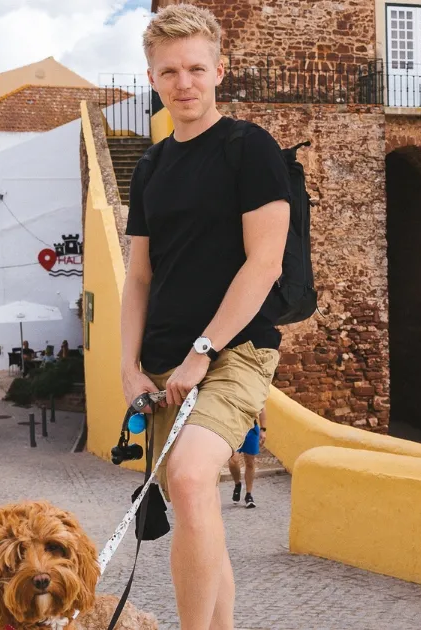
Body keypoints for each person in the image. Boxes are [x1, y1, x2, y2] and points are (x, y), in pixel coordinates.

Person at [119, 5, 291, 629]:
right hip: (165, 363)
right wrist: (128, 366)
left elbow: (264, 264)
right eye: (169, 71)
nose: (183, 82)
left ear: (220, 69)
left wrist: (203, 351)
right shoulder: (150, 168)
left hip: (236, 350)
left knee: (192, 481)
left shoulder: (250, 149)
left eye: (195, 67)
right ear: (152, 78)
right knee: (194, 508)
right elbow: (139, 277)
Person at [229, 408, 267, 508]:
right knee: (233, 460)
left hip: (251, 429)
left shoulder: (256, 392)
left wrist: (263, 429)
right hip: (234, 428)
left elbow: (262, 408)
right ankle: (237, 484)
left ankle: (248, 495)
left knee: (250, 462)